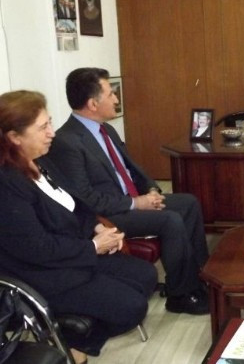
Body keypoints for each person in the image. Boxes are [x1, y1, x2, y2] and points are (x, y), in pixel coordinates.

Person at [0, 90, 157, 364]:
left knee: (146, 276)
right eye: (43, 127)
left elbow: (76, 203)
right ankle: (74, 345)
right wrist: (93, 247)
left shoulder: (41, 160)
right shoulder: (7, 184)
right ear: (15, 137)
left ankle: (73, 342)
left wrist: (98, 228)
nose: (52, 132)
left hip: (75, 252)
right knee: (132, 307)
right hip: (42, 272)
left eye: (50, 122)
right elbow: (37, 248)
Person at [45, 67, 210, 315]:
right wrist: (136, 203)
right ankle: (181, 295)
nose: (116, 99)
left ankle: (200, 276)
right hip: (108, 215)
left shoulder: (106, 129)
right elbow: (85, 198)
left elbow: (132, 168)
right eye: (111, 94)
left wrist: (151, 190)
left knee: (188, 203)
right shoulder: (66, 142)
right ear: (92, 104)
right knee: (170, 220)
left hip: (129, 200)